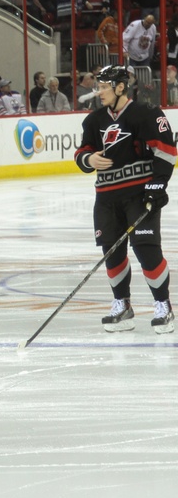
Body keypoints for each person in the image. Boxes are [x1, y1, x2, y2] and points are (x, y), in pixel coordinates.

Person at [74, 65, 176, 334]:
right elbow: (82, 152)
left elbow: (166, 150)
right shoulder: (94, 121)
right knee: (111, 250)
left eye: (105, 87)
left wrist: (156, 185)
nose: (100, 92)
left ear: (120, 88)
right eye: (100, 87)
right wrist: (88, 159)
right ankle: (122, 304)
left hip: (139, 195)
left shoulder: (147, 114)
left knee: (145, 248)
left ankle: (163, 306)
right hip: (106, 198)